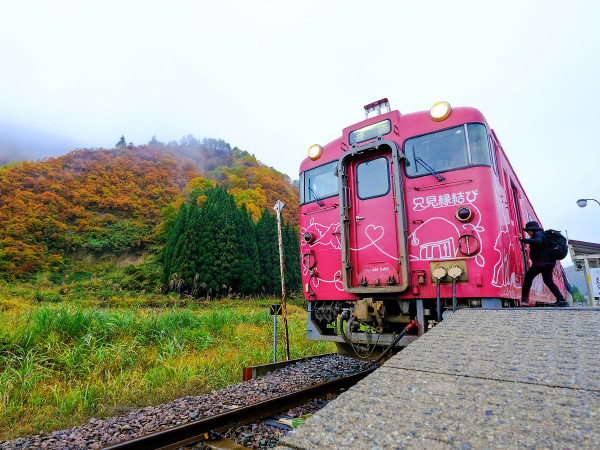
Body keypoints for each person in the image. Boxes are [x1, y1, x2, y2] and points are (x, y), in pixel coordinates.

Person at [519, 221, 569, 307]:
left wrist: (524, 240)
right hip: (547, 262)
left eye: (528, 231)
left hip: (542, 262)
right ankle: (561, 300)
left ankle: (524, 298)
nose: (528, 233)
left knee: (528, 277)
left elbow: (538, 242)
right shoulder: (540, 234)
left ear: (532, 230)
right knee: (548, 281)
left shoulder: (538, 234)